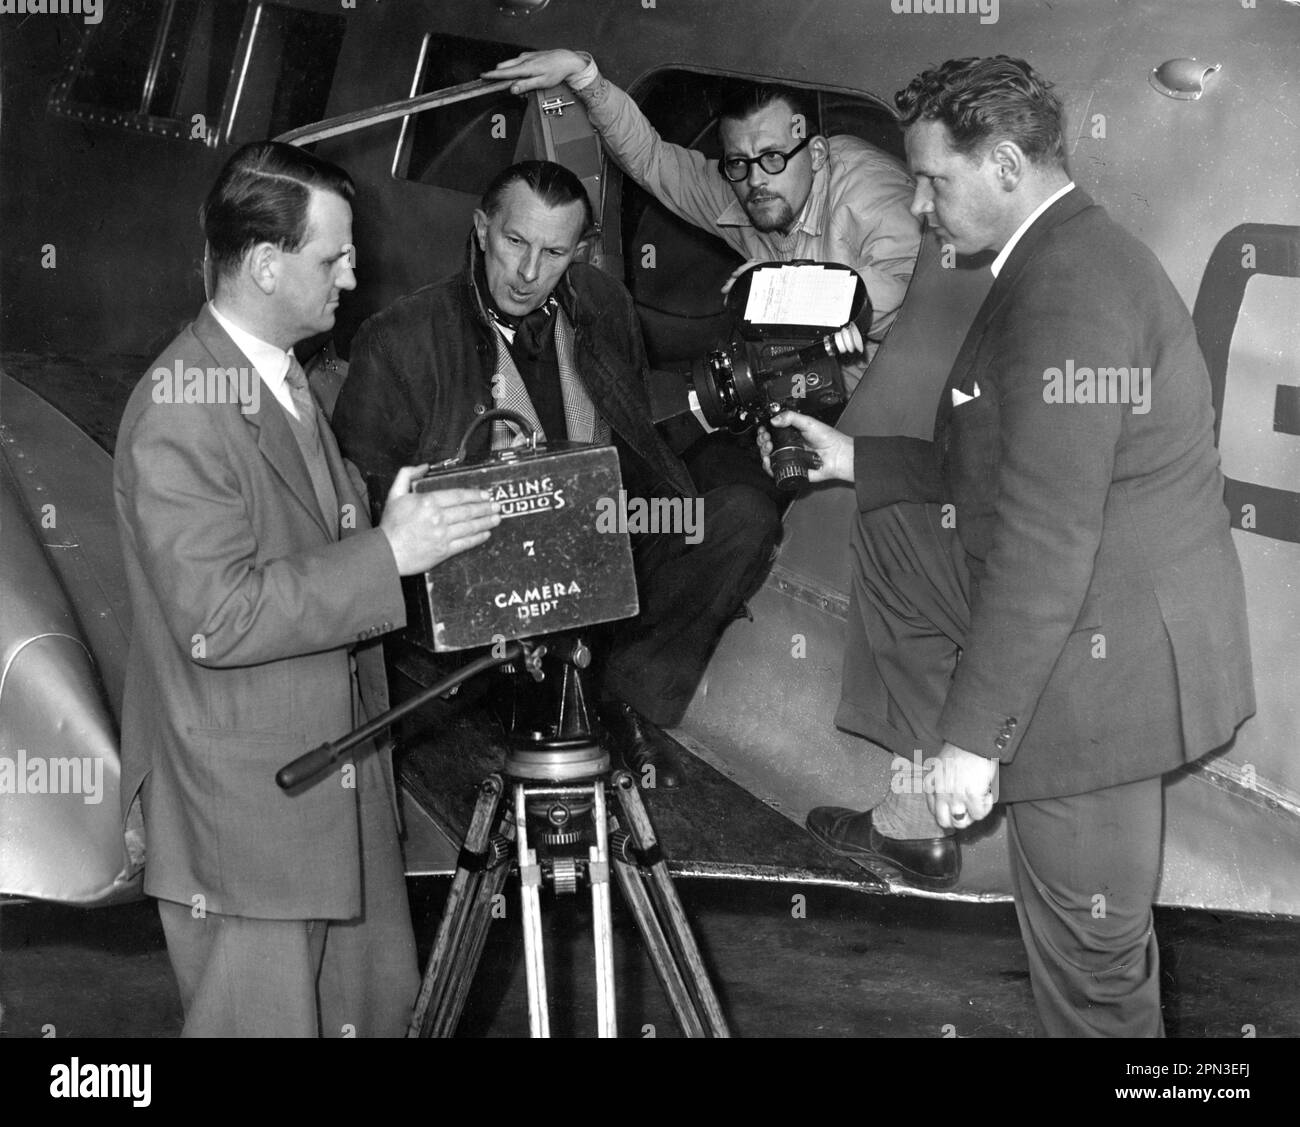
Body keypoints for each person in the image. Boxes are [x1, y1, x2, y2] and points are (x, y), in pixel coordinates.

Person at [759, 57, 1254, 1036]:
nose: (919, 204)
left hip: (1100, 668)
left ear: (1005, 164)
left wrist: (971, 743)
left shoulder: (1060, 299)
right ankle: (913, 813)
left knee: (1092, 974)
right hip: (1109, 612)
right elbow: (1010, 466)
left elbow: (1043, 541)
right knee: (895, 517)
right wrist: (854, 455)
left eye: (935, 180)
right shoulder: (1066, 253)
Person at [114, 141, 501, 1037]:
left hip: (331, 780)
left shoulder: (280, 377)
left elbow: (303, 544)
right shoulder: (180, 408)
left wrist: (392, 526)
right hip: (245, 817)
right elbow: (219, 615)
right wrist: (384, 558)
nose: (355, 274)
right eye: (334, 257)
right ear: (263, 263)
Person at [333, 160, 779, 792]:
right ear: (484, 229)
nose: (527, 272)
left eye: (553, 252)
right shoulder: (403, 337)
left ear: (578, 252)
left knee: (734, 518)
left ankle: (619, 697)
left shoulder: (602, 303)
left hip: (599, 523)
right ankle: (532, 691)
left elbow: (629, 435)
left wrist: (698, 428)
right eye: (515, 242)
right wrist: (475, 472)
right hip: (479, 558)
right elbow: (362, 503)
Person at [485, 49, 921, 495]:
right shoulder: (751, 187)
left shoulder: (870, 194)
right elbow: (654, 161)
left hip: (899, 406)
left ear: (816, 152)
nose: (756, 181)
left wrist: (788, 283)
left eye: (772, 157)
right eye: (738, 163)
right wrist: (585, 76)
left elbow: (913, 299)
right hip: (811, 391)